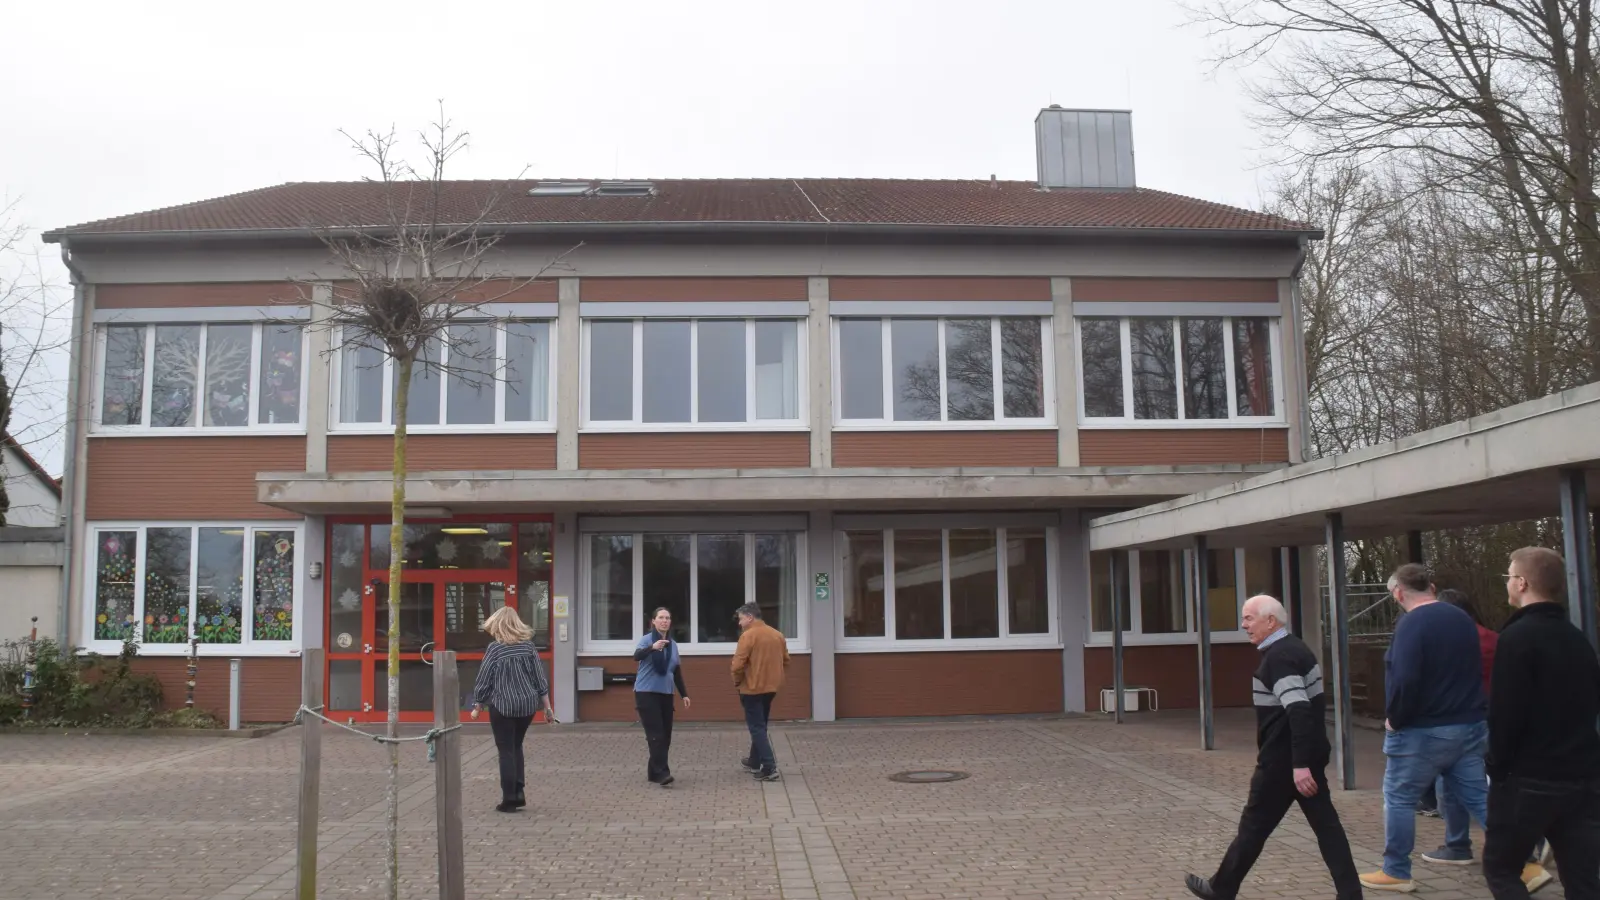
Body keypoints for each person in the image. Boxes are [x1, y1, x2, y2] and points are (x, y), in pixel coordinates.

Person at [1185, 595, 1363, 900]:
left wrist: (1300, 765)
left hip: (1284, 764)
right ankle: (1350, 894)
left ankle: (1221, 889)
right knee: (1326, 828)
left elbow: (1299, 709)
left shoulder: (1279, 658)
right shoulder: (1295, 648)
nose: (1243, 626)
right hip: (1300, 759)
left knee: (1254, 827)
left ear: (1271, 621)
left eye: (1249, 618)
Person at [1481, 547, 1600, 899]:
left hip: (1528, 779)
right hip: (1582, 777)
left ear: (1522, 583)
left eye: (1508, 576)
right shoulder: (1577, 640)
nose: (1506, 583)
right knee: (1582, 878)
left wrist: (1497, 769)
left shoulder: (1516, 640)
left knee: (1502, 869)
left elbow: (1505, 713)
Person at [1421, 589, 1552, 892]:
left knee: (1473, 790)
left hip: (1468, 721)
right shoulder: (1495, 637)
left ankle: (1520, 850)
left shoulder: (1455, 642)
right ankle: (1460, 844)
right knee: (1465, 784)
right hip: (1495, 718)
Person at [469, 606, 554, 813]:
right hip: (527, 706)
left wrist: (478, 704)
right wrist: (548, 707)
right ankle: (519, 793)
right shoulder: (529, 647)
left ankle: (509, 799)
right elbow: (539, 679)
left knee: (505, 750)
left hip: (503, 706)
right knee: (517, 746)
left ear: (497, 625)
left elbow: (484, 679)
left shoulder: (495, 649)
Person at [731, 603, 790, 782]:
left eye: (741, 619)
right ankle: (754, 761)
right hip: (771, 688)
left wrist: (737, 682)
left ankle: (769, 767)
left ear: (749, 617)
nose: (740, 623)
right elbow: (786, 660)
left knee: (756, 727)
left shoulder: (747, 636)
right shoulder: (777, 634)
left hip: (751, 688)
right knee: (761, 724)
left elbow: (737, 665)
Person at [633, 607, 690, 787]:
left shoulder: (672, 644)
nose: (664, 620)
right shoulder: (647, 639)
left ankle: (653, 771)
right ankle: (662, 773)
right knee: (656, 735)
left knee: (665, 736)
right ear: (654, 621)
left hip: (666, 693)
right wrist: (652, 648)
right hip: (646, 693)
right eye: (661, 617)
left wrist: (684, 694)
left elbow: (676, 671)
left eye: (667, 618)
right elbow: (636, 656)